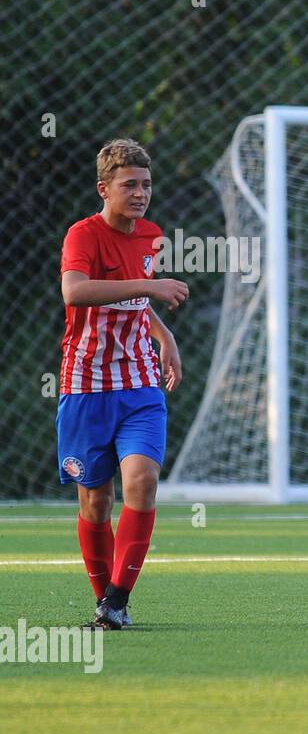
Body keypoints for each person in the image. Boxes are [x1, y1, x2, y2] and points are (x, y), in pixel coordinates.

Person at [58, 138, 188, 630]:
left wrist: (164, 333)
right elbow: (76, 291)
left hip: (139, 385)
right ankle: (105, 602)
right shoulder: (82, 235)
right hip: (85, 386)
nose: (140, 193)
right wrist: (149, 286)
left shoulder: (151, 235)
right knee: (95, 500)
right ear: (104, 189)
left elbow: (136, 303)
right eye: (129, 185)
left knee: (142, 481)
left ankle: (117, 601)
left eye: (146, 184)